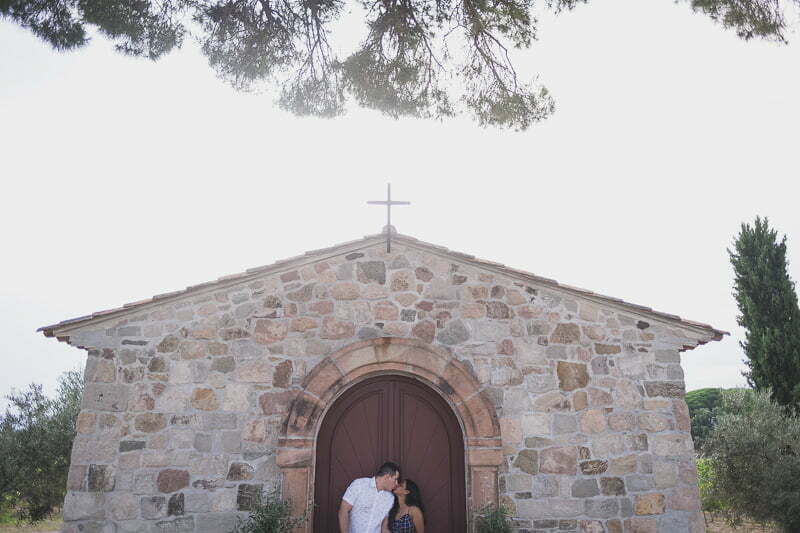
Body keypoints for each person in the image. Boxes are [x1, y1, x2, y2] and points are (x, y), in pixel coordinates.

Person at [339, 462, 400, 533]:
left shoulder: (390, 498)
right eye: (395, 479)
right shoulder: (359, 485)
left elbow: (384, 528)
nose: (397, 484)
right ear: (387, 477)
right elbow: (343, 511)